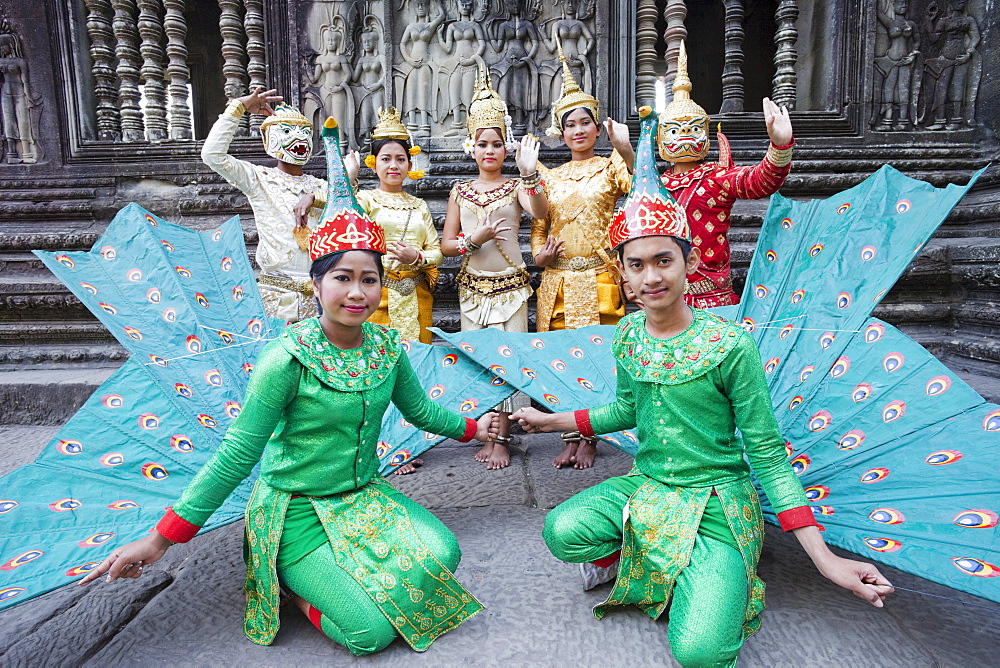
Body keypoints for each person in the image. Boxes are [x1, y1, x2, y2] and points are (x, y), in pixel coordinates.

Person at [80, 117, 498, 656]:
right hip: (297, 508)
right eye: (342, 278)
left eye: (368, 278)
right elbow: (236, 456)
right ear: (316, 282)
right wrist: (162, 539)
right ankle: (286, 583)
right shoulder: (286, 358)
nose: (357, 292)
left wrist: (475, 428)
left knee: (443, 554)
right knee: (368, 632)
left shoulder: (387, 348)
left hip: (363, 497)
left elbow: (420, 413)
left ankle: (346, 574)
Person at [512, 107, 894, 668]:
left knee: (701, 653)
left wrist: (825, 559)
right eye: (637, 265)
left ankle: (715, 562)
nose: (652, 278)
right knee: (562, 531)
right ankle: (647, 554)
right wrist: (552, 421)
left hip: (717, 496)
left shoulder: (730, 344)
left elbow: (765, 453)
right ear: (622, 273)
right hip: (649, 487)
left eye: (664, 260)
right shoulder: (627, 336)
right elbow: (626, 409)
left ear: (687, 262)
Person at [531, 39, 634, 470]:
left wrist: (625, 148)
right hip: (557, 281)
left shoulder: (611, 166)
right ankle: (569, 435)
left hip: (599, 279)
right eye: (570, 124)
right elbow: (538, 229)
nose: (578, 130)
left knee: (596, 361)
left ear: (597, 128)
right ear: (561, 130)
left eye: (585, 123)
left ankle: (591, 437)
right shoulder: (549, 178)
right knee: (560, 362)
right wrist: (540, 256)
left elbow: (638, 185)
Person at [441, 68, 548, 471]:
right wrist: (476, 239)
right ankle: (485, 429)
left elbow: (541, 210)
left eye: (497, 144)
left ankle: (503, 438)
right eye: (483, 144)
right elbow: (447, 245)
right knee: (480, 361)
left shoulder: (516, 186)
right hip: (472, 287)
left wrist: (529, 173)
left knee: (510, 359)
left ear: (507, 148)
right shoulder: (460, 191)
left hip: (511, 288)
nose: (490, 151)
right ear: (472, 147)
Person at [657, 41, 794, 309]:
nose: (685, 136)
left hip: (712, 299)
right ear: (661, 139)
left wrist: (780, 145)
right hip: (664, 296)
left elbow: (759, 181)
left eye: (692, 129)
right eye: (675, 131)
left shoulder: (717, 177)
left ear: (706, 136)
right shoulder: (657, 186)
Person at [201, 87, 327, 322]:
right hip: (276, 295)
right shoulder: (259, 179)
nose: (298, 138)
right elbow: (212, 155)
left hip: (321, 295)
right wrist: (238, 107)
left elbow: (349, 207)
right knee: (275, 357)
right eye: (288, 131)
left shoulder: (322, 187)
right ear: (270, 138)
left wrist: (315, 198)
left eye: (304, 132)